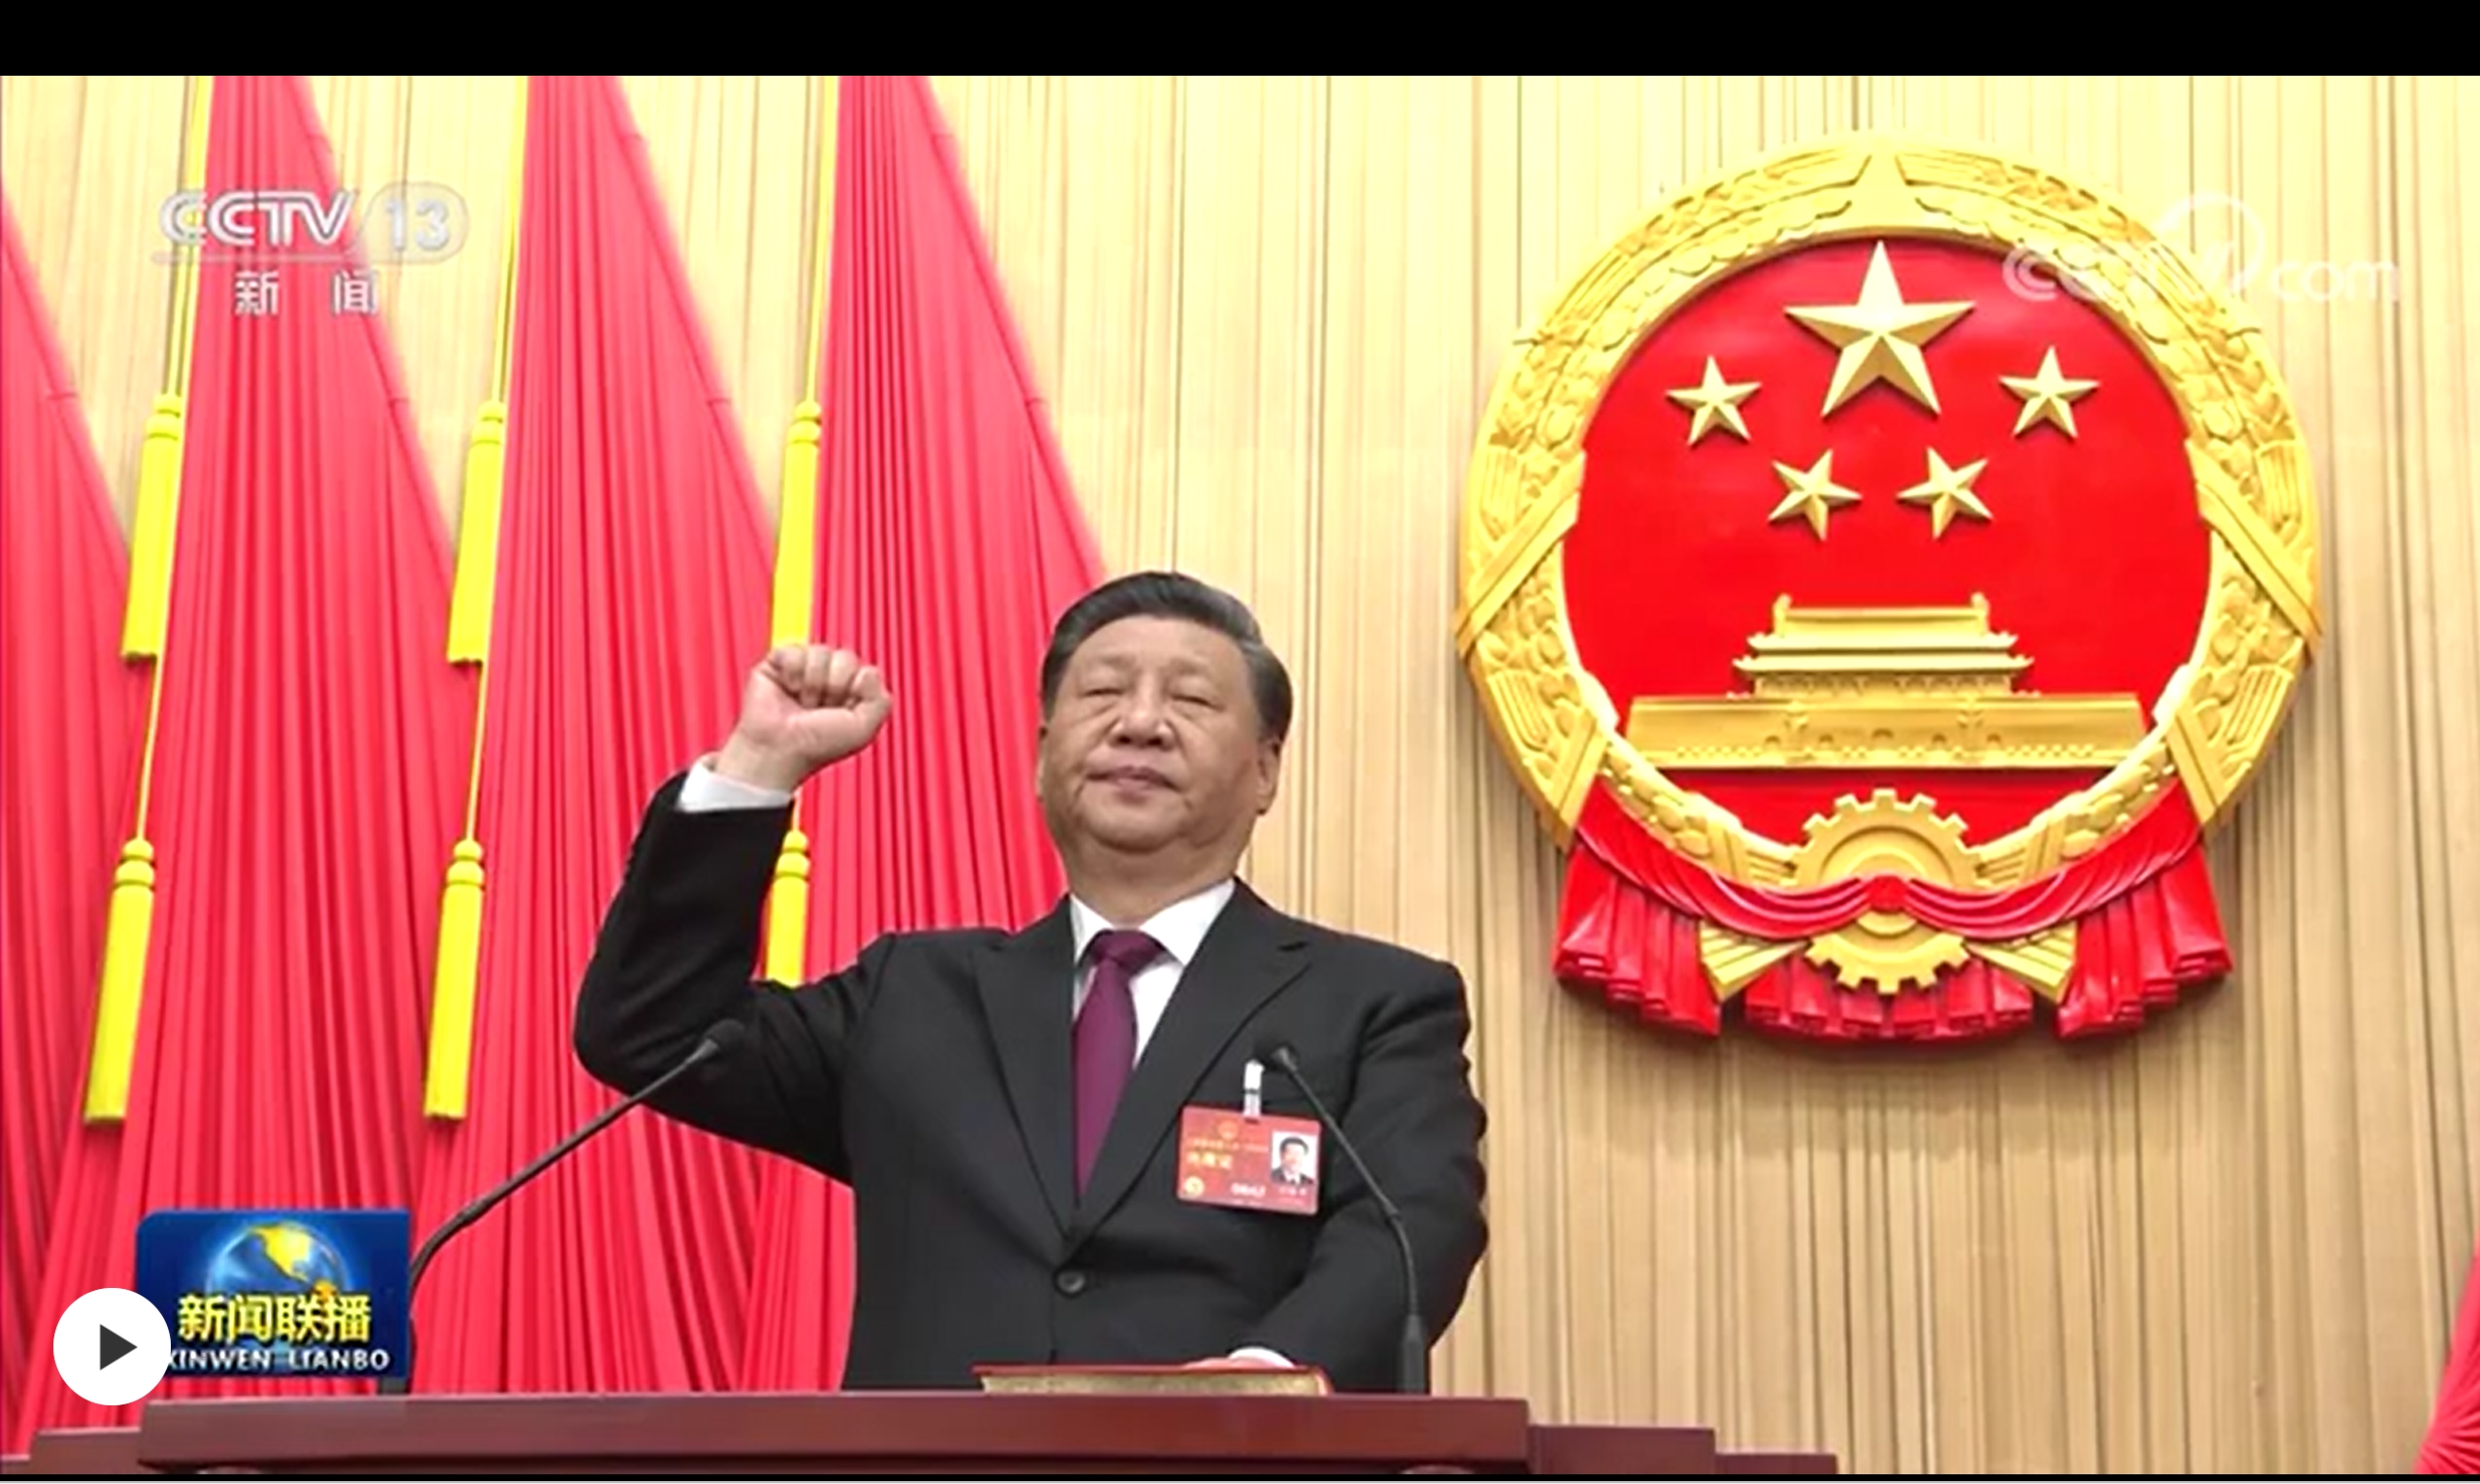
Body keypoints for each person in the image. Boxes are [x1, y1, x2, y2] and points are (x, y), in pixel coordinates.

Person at [573, 572, 1488, 1393]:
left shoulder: (1370, 1004)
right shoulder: (912, 996)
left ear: (1265, 769)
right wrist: (757, 769)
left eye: (1191, 698)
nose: (1139, 721)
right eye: (1102, 692)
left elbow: (1413, 1222)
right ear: (1043, 755)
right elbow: (652, 1029)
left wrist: (1263, 1385)